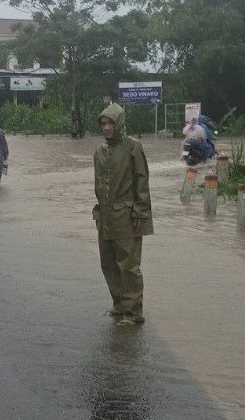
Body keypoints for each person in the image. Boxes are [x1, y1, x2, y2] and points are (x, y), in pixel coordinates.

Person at [93, 103, 153, 326]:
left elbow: (142, 180)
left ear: (119, 124)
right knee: (107, 263)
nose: (106, 128)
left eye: (110, 123)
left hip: (127, 216)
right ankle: (119, 305)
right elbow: (99, 185)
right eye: (103, 124)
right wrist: (99, 213)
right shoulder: (99, 151)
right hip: (106, 216)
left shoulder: (132, 146)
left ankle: (133, 312)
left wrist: (141, 211)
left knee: (128, 265)